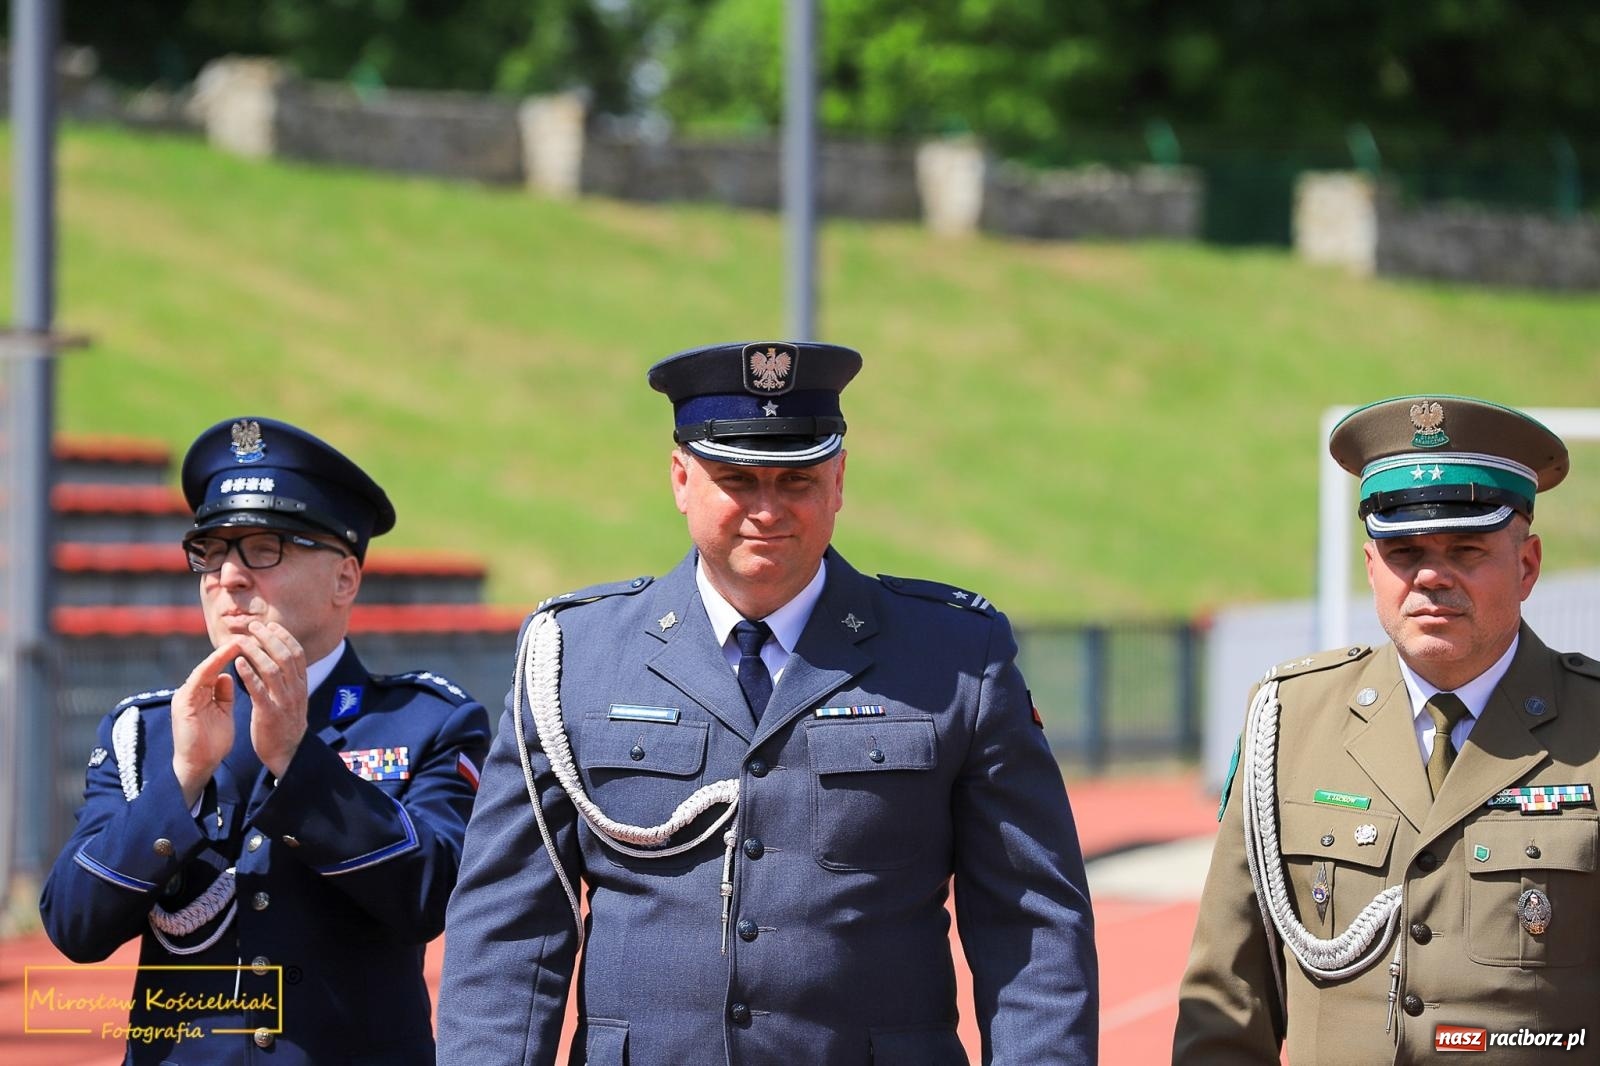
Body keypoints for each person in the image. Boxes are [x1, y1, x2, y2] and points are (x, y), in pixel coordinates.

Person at [438, 341, 1097, 1065]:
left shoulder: (955, 657)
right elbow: (508, 932)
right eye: (736, 479)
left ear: (839, 480)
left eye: (796, 480)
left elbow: (1032, 924)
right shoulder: (575, 656)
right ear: (681, 478)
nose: (767, 510)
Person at [41, 416, 491, 1064]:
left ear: (345, 579)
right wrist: (183, 781)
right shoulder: (145, 733)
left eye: (264, 547)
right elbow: (74, 925)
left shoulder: (429, 722)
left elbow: (431, 898)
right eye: (212, 551)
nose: (229, 577)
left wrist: (295, 760)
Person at [1174, 395, 1598, 1064]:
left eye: (1466, 548)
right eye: (1404, 552)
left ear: (1527, 566)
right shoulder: (1289, 722)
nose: (1431, 575)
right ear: (1372, 569)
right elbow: (1228, 1005)